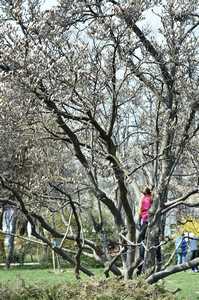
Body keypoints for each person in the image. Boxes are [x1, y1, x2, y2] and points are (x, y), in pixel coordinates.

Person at [137, 187, 153, 274]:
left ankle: (141, 260)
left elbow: (144, 210)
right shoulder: (148, 198)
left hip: (147, 221)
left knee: (141, 240)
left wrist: (140, 219)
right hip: (146, 220)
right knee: (142, 240)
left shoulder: (146, 199)